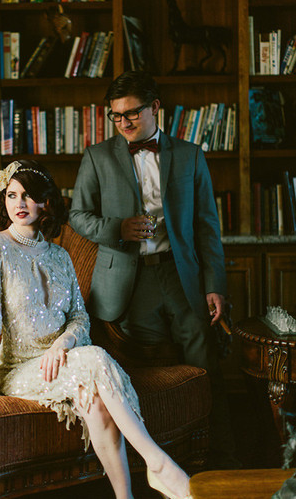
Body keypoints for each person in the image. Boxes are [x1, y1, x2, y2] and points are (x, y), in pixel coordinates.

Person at [0, 159, 193, 499]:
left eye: (28, 195)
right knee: (95, 357)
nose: (19, 203)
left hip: (62, 361)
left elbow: (80, 318)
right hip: (18, 369)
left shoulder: (59, 255)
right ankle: (157, 463)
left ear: (45, 202)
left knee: (94, 400)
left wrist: (63, 344)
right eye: (12, 195)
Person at [69, 70, 239, 470]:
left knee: (206, 369)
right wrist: (118, 229)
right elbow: (78, 215)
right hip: (128, 283)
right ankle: (159, 465)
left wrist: (214, 285)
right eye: (116, 115)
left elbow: (207, 226)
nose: (124, 122)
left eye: (132, 113)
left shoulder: (190, 155)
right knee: (144, 378)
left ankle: (221, 464)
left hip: (182, 278)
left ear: (155, 108)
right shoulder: (97, 156)